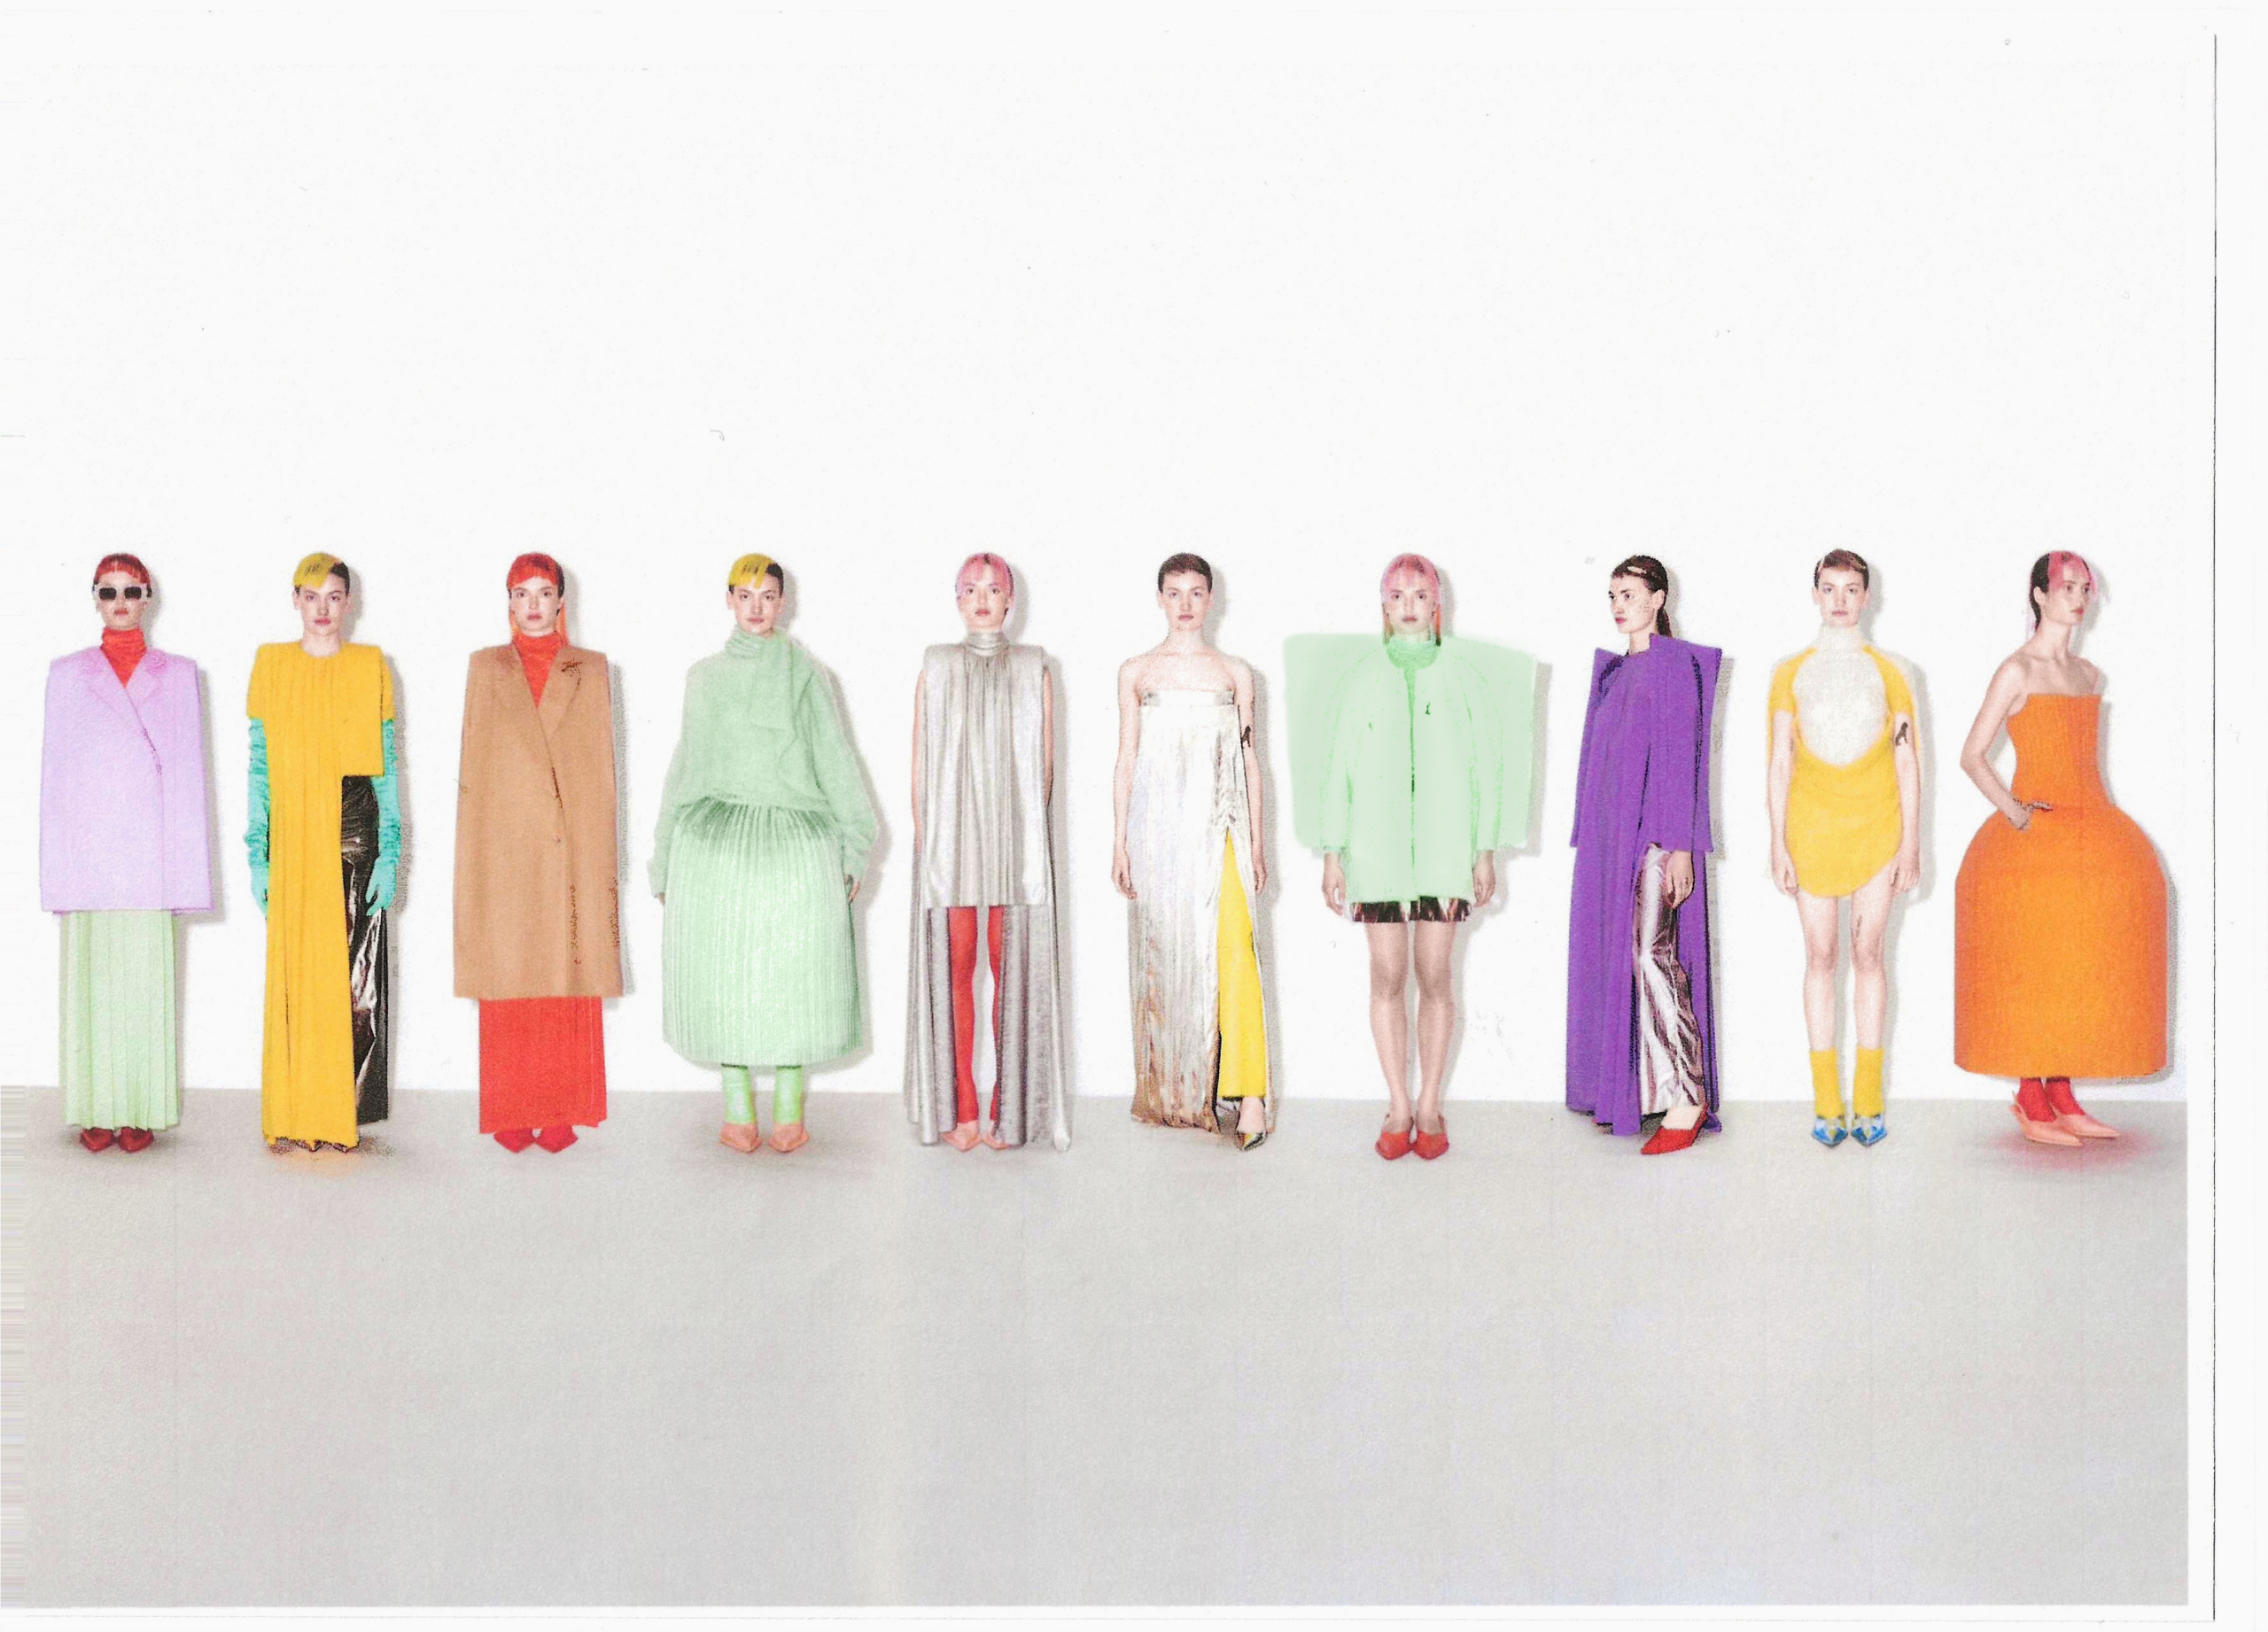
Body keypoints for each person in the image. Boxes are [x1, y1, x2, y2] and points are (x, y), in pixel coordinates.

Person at [1285, 554, 1535, 1161]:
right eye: (1396, 595)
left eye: (1420, 594)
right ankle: (1398, 1104)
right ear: (1383, 606)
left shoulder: (1463, 677)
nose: (1408, 605)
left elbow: (1486, 770)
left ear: (1436, 604)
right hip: (1376, 852)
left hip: (1447, 852)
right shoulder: (1361, 678)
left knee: (1436, 975)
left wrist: (1484, 851)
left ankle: (1429, 1106)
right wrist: (1333, 852)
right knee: (1386, 975)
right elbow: (1338, 768)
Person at [651, 554, 875, 1154]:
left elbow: (835, 758)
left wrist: (855, 845)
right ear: (728, 599)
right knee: (724, 977)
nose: (756, 607)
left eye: (768, 596)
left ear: (783, 602)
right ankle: (737, 1111)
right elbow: (687, 765)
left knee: (794, 978)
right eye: (745, 595)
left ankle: (789, 1114)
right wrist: (663, 857)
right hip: (717, 846)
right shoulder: (704, 677)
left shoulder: (807, 674)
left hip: (795, 846)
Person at [1953, 551, 2167, 1144]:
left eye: (2084, 589)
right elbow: (1972, 754)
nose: (2077, 598)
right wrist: (2016, 812)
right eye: (2066, 586)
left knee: (2075, 956)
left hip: (2091, 825)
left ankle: (2063, 1093)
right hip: (2034, 835)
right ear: (2040, 596)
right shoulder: (2016, 670)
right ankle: (2031, 1095)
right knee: (2033, 957)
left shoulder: (2089, 675)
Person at [40, 553, 213, 1152]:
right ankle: (94, 1107)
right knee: (92, 986)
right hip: (91, 856)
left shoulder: (179, 674)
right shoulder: (66, 675)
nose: (120, 602)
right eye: (108, 591)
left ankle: (140, 1107)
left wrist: (186, 876)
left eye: (131, 591)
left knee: (144, 986)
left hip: (149, 858)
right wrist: (59, 872)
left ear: (148, 598)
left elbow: (188, 777)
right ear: (95, 598)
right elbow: (56, 781)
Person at [454, 553, 623, 1154]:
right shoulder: (486, 667)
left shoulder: (591, 669)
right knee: (507, 973)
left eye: (544, 593)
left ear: (560, 603)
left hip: (568, 844)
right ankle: (510, 1109)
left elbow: (600, 770)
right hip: (504, 846)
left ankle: (561, 1109)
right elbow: (473, 768)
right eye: (521, 593)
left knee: (566, 970)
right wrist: (475, 855)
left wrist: (598, 855)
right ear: (508, 602)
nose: (532, 604)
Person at [904, 553, 1070, 1152]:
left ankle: (1007, 1109)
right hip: (950, 841)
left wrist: (1026, 841)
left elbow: (1044, 768)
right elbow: (920, 760)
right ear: (957, 599)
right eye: (971, 589)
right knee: (954, 969)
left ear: (1010, 601)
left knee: (1009, 972)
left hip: (1012, 842)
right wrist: (926, 835)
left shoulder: (1033, 667)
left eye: (994, 589)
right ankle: (961, 1108)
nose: (982, 599)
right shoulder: (937, 665)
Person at [1110, 552, 1271, 1150]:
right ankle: (1179, 1090)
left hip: (1221, 826)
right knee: (1167, 953)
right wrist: (1120, 839)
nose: (1185, 604)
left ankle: (1251, 1097)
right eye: (1174, 592)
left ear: (1211, 600)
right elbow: (1126, 758)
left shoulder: (1235, 673)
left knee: (1235, 950)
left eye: (1196, 592)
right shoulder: (1136, 672)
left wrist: (1257, 843)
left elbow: (1251, 760)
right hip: (1156, 832)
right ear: (1159, 598)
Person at [1565, 556, 1723, 1154]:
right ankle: (1630, 1093)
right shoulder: (1615, 675)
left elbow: (1683, 759)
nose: (1618, 605)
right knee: (1629, 957)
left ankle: (1687, 1098)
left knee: (1652, 955)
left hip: (1656, 838)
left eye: (1629, 593)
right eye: (1612, 595)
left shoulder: (1672, 665)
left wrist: (1680, 847)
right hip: (1613, 840)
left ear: (1658, 599)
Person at [247, 553, 402, 1151]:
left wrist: (390, 850)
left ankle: (336, 1116)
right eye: (311, 596)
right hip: (293, 837)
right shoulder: (272, 665)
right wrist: (258, 853)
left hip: (352, 833)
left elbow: (385, 765)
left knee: (348, 977)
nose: (322, 609)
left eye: (334, 597)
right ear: (295, 600)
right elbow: (260, 765)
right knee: (298, 973)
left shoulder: (370, 667)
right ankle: (294, 1112)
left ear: (349, 603)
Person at [1766, 549, 1920, 1148]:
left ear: (1866, 597)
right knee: (1821, 955)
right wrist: (1777, 843)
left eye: (1850, 589)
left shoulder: (1893, 669)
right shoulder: (1789, 671)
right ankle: (1827, 1101)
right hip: (1811, 828)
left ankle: (1869, 1098)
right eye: (1829, 588)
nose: (1839, 600)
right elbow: (1780, 761)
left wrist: (1912, 844)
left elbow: (1907, 759)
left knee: (1869, 952)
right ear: (1815, 594)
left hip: (1877, 825)